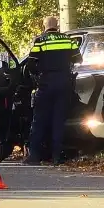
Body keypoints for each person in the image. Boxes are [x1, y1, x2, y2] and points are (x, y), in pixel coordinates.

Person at [25, 16, 81, 165]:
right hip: (64, 83)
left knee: (39, 120)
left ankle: (34, 156)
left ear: (45, 26)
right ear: (57, 26)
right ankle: (57, 156)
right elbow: (78, 59)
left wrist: (39, 74)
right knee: (59, 120)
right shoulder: (67, 40)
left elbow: (30, 64)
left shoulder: (40, 41)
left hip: (46, 83)